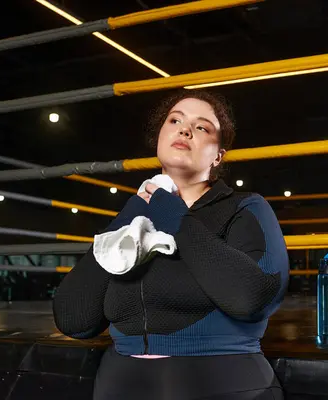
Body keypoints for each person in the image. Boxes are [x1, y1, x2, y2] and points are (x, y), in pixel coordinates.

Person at [53, 89, 289, 400]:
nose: (185, 129)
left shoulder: (245, 208)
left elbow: (253, 297)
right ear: (160, 137)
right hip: (120, 384)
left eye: (202, 127)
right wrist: (134, 212)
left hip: (224, 382)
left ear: (218, 156)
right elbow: (74, 318)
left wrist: (175, 217)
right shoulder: (134, 221)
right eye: (175, 120)